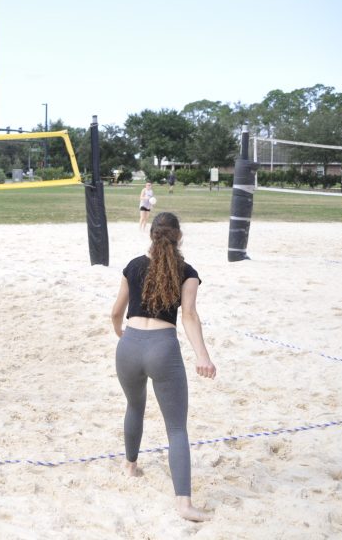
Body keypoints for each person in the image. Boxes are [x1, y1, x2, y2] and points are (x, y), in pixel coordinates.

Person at [110, 212, 217, 522]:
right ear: (179, 237)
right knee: (176, 429)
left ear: (151, 236)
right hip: (162, 348)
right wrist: (203, 356)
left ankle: (130, 466)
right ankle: (183, 504)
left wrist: (122, 334)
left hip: (128, 346)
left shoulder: (133, 266)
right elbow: (189, 317)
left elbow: (116, 312)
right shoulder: (187, 272)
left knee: (134, 406)